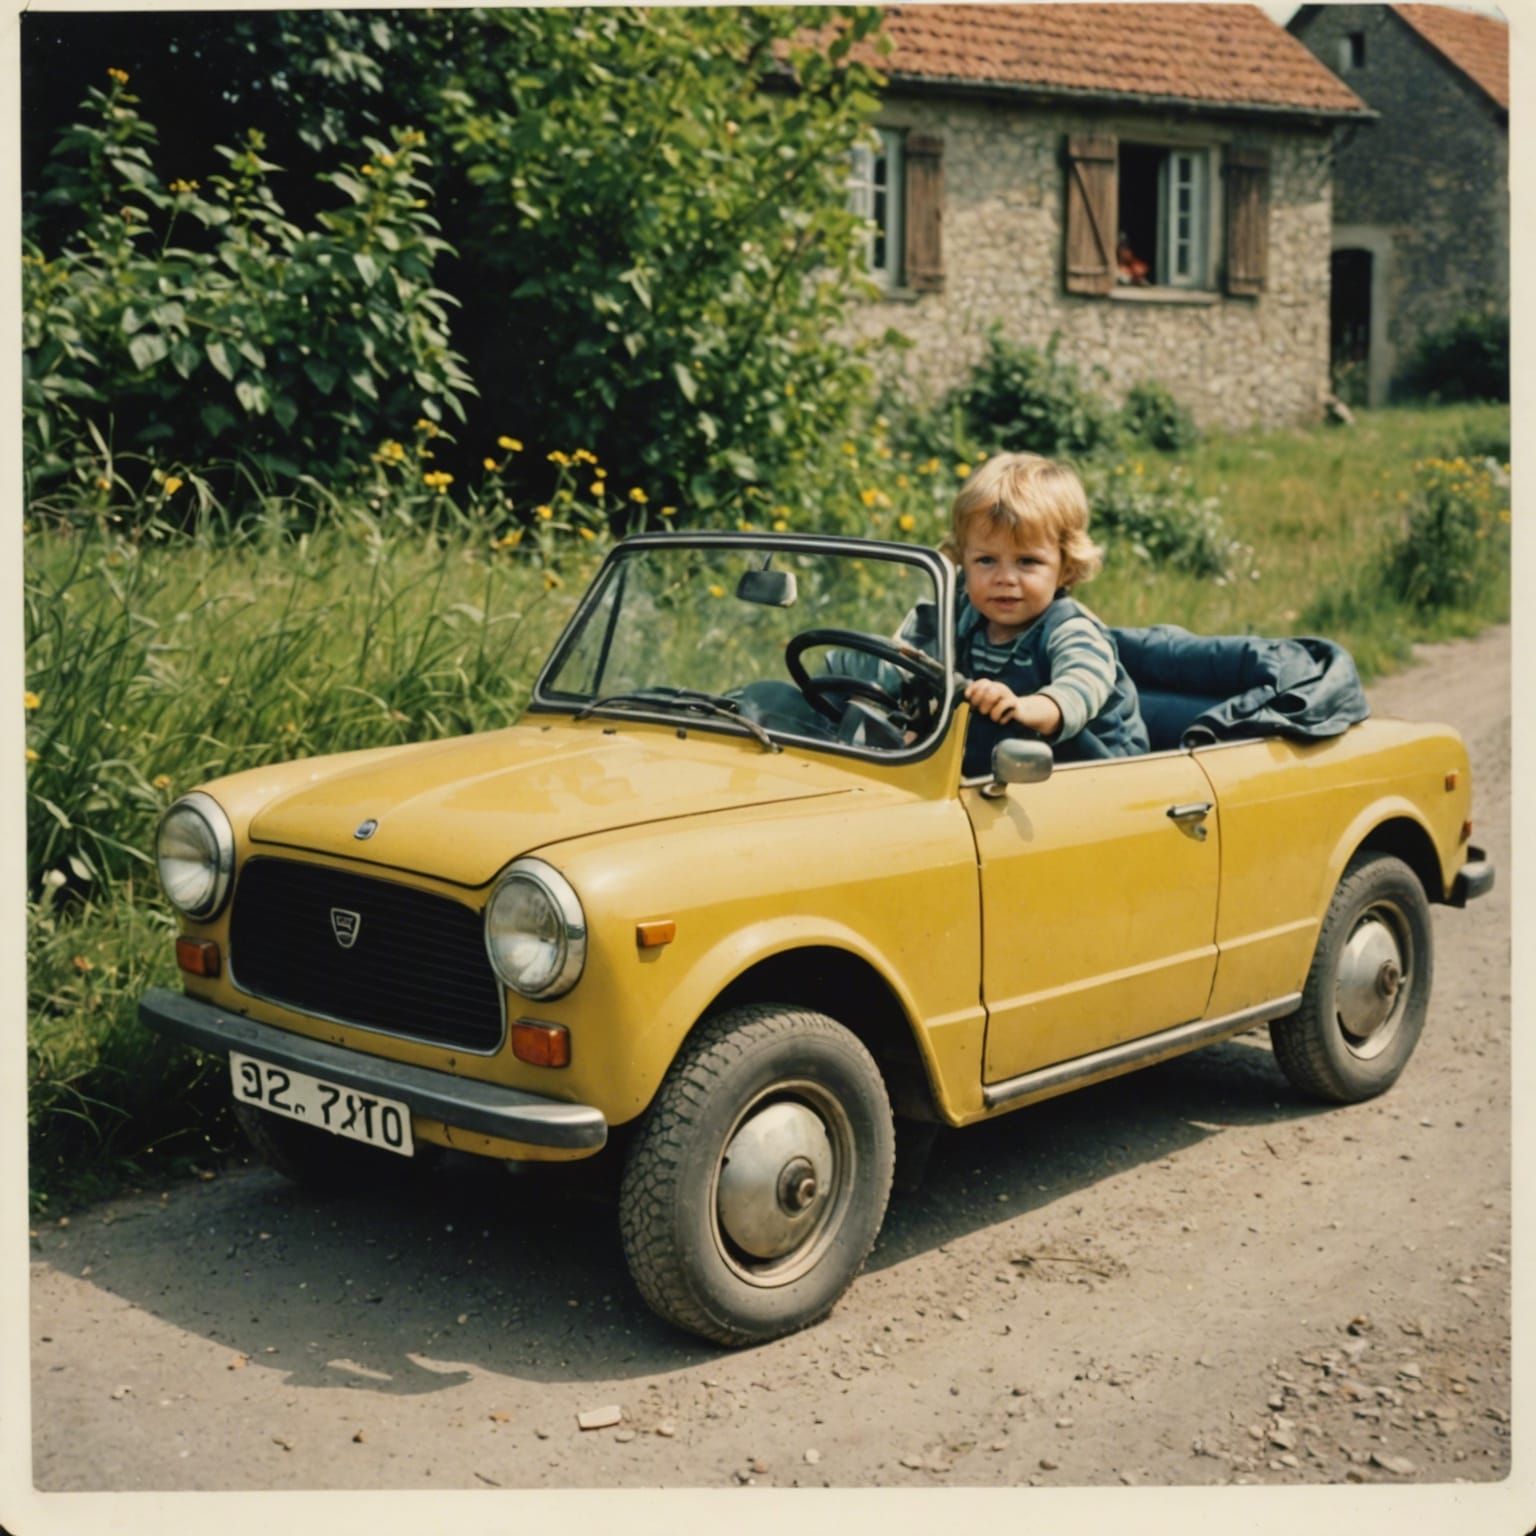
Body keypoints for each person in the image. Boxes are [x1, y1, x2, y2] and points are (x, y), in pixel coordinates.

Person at [942, 452, 1147, 775]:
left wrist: (1022, 707)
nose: (1005, 578)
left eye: (1027, 562)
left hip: (1099, 774)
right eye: (986, 560)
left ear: (1066, 568)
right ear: (962, 560)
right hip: (1012, 766)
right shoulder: (961, 616)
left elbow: (1078, 689)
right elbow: (910, 655)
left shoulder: (1071, 630)